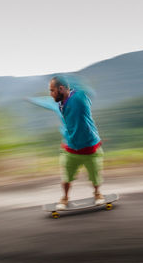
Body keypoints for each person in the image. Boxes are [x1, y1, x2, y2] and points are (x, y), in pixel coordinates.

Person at [29, 75, 105, 210]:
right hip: (70, 149)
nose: (51, 94)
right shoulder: (56, 103)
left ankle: (98, 194)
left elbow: (88, 90)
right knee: (66, 178)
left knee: (95, 176)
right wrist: (29, 99)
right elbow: (46, 101)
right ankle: (64, 198)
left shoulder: (80, 98)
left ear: (61, 88)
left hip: (90, 148)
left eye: (52, 90)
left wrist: (66, 77)